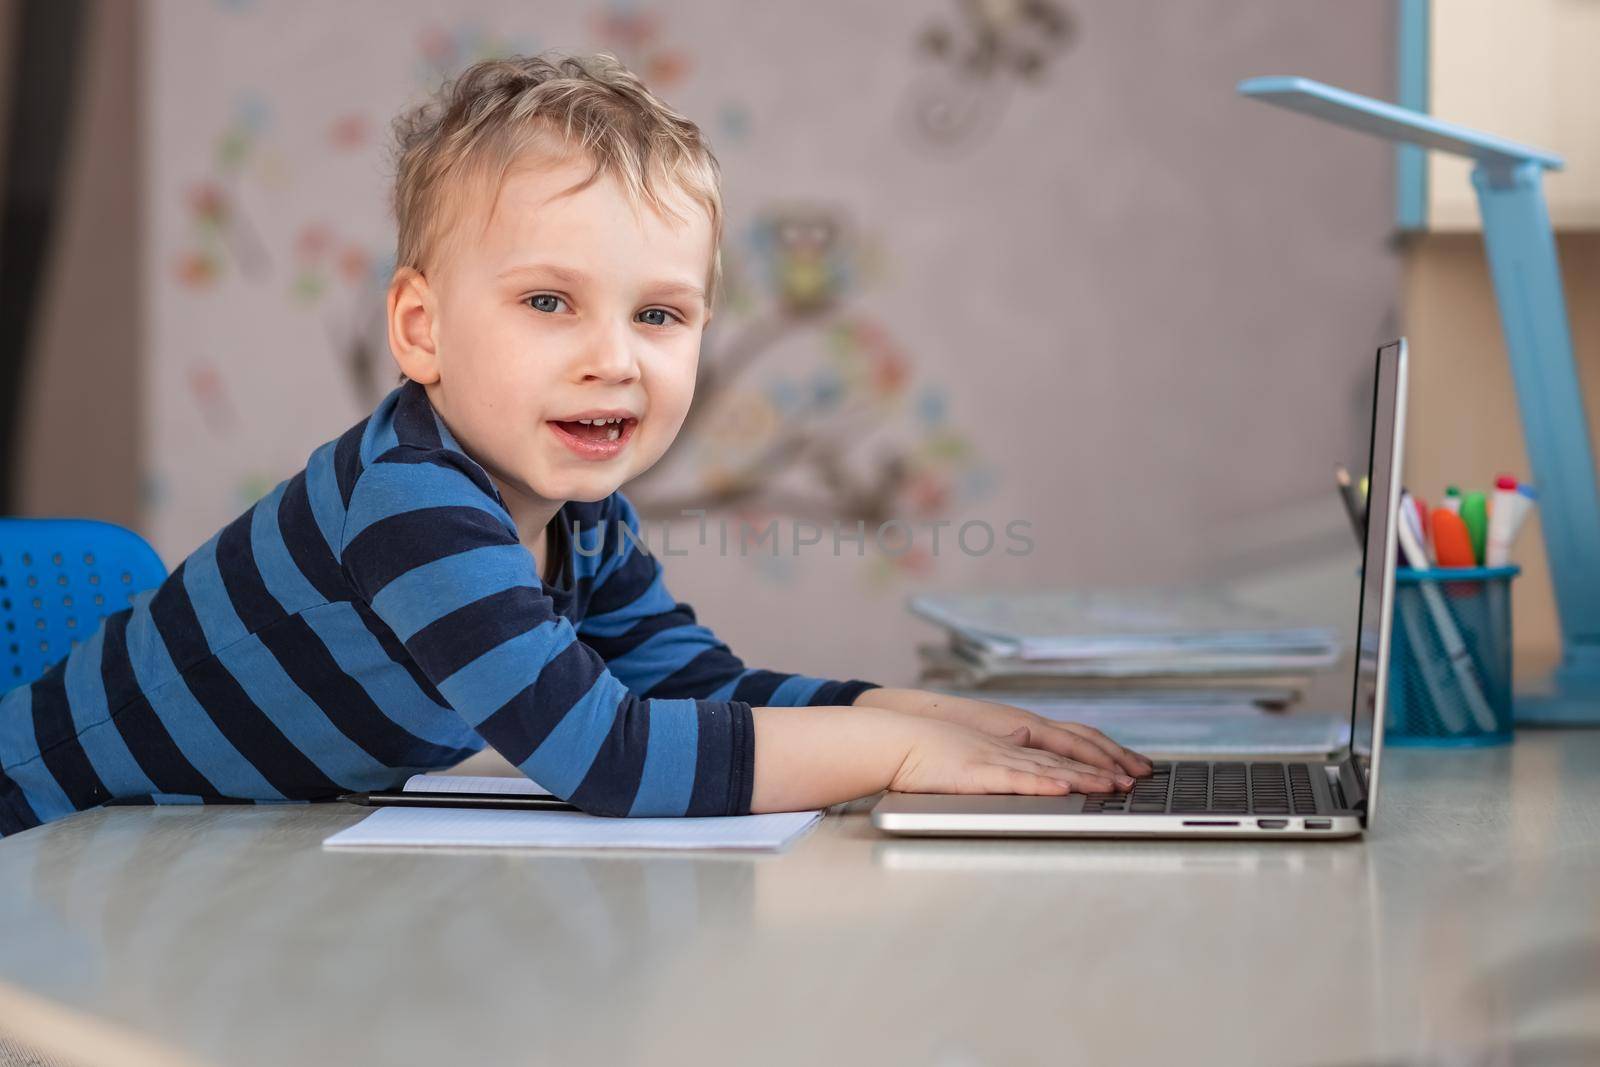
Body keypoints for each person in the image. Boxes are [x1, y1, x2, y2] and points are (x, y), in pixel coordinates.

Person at [0, 53, 1149, 838]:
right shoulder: (410, 503)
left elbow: (694, 685)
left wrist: (915, 712)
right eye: (549, 302)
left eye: (659, 315)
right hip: (41, 850)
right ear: (422, 329)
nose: (616, 358)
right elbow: (608, 754)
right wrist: (888, 760)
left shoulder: (580, 527)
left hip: (177, 873)